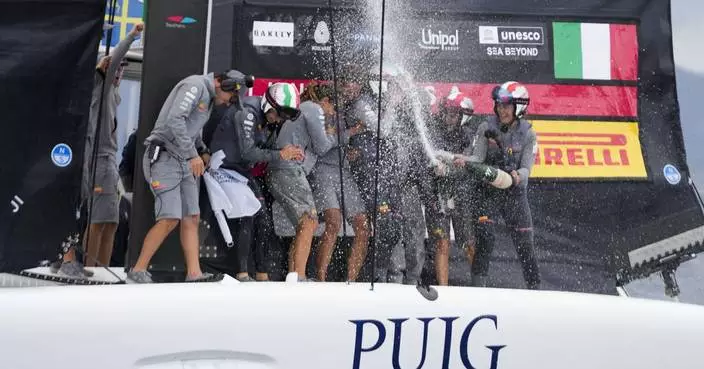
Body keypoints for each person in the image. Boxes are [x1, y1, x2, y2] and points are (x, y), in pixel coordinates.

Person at [126, 70, 242, 283]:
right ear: (219, 83)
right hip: (164, 157)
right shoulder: (195, 85)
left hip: (184, 159)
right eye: (230, 97)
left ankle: (194, 273)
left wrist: (202, 150)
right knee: (170, 217)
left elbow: (192, 129)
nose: (229, 102)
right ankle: (138, 270)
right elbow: (175, 120)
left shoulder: (207, 98)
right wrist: (193, 155)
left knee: (192, 216)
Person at [56, 23, 144, 279]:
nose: (119, 72)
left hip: (109, 162)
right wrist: (133, 35)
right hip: (97, 161)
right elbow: (114, 59)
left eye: (122, 70)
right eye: (117, 68)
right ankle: (91, 268)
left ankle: (101, 268)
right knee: (98, 220)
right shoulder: (100, 85)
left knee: (112, 221)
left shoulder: (113, 93)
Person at [454, 81, 541, 289]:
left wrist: (516, 176)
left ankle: (536, 292)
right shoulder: (486, 127)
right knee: (485, 238)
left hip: (514, 194)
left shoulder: (529, 133)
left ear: (519, 107)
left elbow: (527, 170)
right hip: (487, 192)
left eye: (506, 106)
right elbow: (477, 157)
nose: (501, 110)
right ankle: (478, 291)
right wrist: (463, 160)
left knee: (525, 246)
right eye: (499, 105)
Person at [207, 72, 292, 282]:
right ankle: (242, 273)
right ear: (269, 104)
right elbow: (248, 152)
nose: (280, 119)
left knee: (263, 220)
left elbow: (261, 149)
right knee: (248, 215)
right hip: (223, 168)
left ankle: (262, 273)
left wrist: (284, 150)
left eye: (284, 117)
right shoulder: (248, 112)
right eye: (279, 114)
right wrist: (280, 154)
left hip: (240, 172)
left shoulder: (267, 118)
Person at [303, 82, 369, 282]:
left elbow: (339, 142)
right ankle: (321, 278)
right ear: (324, 101)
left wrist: (350, 152)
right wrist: (349, 133)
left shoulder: (340, 115)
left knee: (363, 225)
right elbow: (322, 147)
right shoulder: (315, 113)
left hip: (343, 171)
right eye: (335, 101)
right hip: (321, 170)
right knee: (333, 222)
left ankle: (351, 280)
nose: (339, 104)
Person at [428, 89, 477, 285]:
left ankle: (479, 286)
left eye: (454, 114)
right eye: (446, 112)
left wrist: (447, 168)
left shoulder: (470, 137)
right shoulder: (432, 130)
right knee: (441, 242)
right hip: (437, 194)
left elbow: (467, 166)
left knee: (468, 242)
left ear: (463, 117)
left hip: (461, 194)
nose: (449, 117)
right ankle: (444, 290)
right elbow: (428, 158)